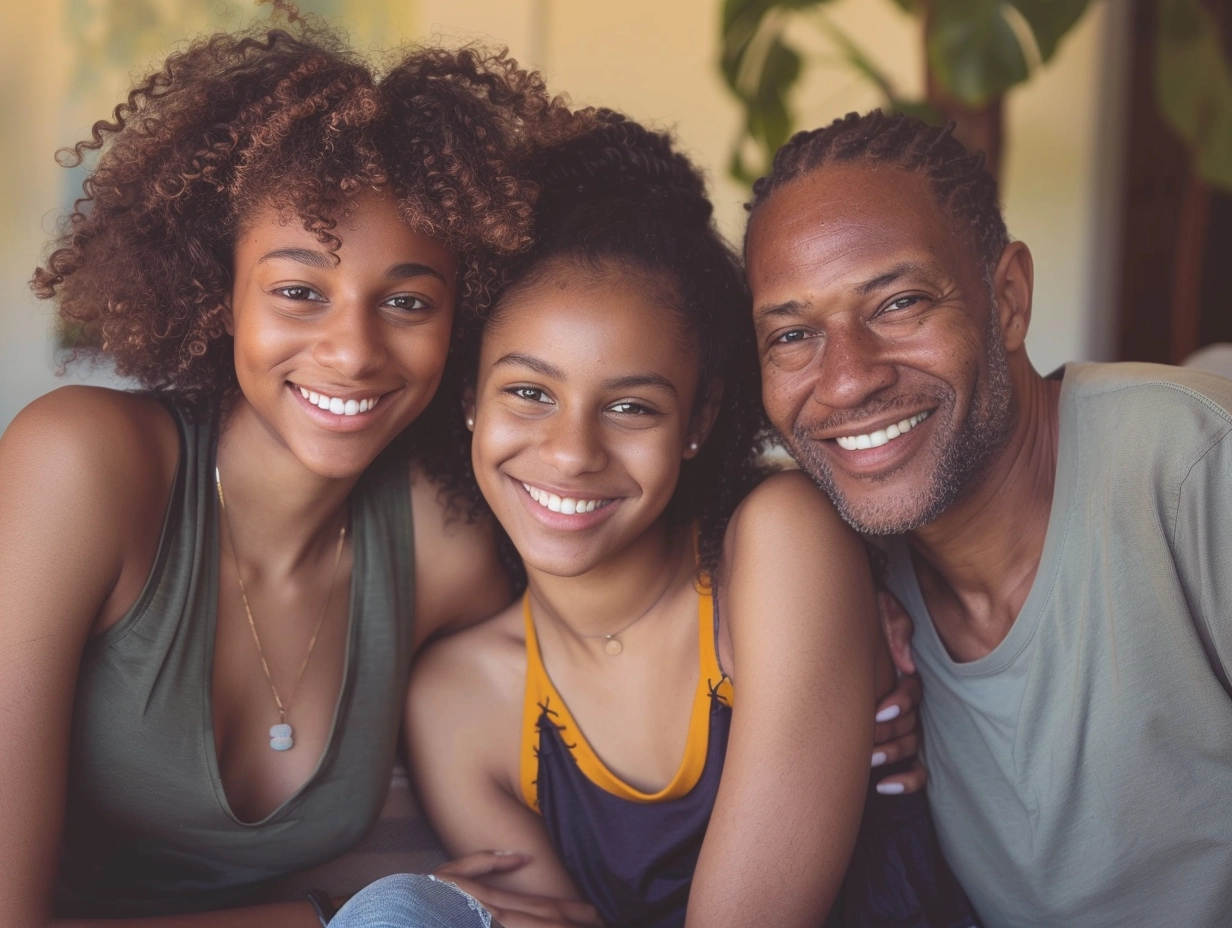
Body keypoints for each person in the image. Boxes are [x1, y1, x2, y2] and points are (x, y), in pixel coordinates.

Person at [0, 16, 582, 925]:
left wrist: (861, 674)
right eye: (299, 291)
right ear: (217, 291)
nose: (352, 352)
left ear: (463, 319)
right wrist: (330, 914)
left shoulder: (440, 542)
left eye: (406, 301)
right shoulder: (82, 468)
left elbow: (629, 639)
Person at [341, 111, 974, 928]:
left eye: (632, 406)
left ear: (701, 418)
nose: (571, 453)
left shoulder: (776, 541)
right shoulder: (455, 701)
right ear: (470, 397)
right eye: (530, 393)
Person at [743, 109, 1232, 928]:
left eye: (897, 303)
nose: (847, 381)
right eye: (793, 334)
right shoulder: (834, 558)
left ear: (1006, 300)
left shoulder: (1191, 468)